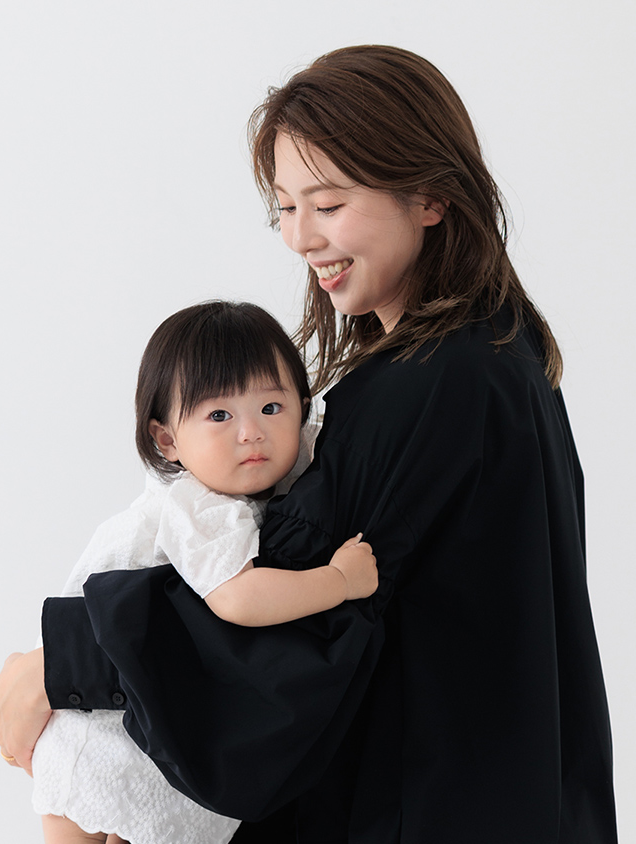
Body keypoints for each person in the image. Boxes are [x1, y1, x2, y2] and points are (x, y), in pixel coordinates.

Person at [0, 46, 617, 843]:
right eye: (284, 208)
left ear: (431, 196)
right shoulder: (498, 353)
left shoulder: (434, 384)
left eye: (328, 203)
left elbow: (274, 620)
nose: (299, 237)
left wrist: (65, 661)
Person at [29, 300, 378, 844]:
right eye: (219, 416)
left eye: (271, 407)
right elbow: (237, 598)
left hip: (141, 726)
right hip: (96, 736)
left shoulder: (266, 478)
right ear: (167, 440)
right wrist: (339, 581)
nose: (251, 432)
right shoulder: (199, 505)